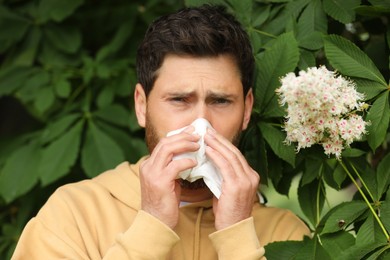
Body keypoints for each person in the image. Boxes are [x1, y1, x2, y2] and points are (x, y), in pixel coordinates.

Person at [12, 4, 310, 259]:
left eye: (220, 101)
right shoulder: (74, 214)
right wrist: (152, 225)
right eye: (180, 100)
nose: (201, 123)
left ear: (246, 111)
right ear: (141, 106)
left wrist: (238, 237)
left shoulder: (285, 233)